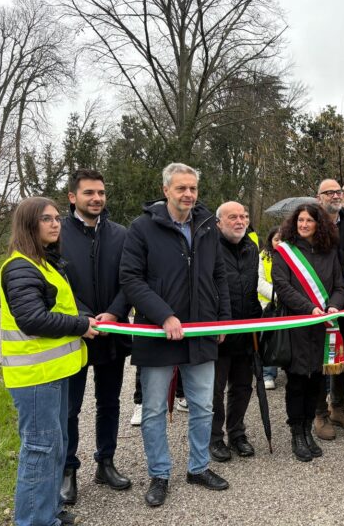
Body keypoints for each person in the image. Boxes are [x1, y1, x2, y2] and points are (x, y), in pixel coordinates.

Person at [120, 163, 232, 507]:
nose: (188, 194)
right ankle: (160, 474)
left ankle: (198, 467)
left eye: (193, 189)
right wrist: (164, 315)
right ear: (166, 189)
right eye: (181, 188)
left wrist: (222, 319)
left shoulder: (207, 226)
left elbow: (218, 274)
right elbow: (131, 279)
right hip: (157, 334)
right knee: (153, 410)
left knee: (203, 406)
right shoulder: (141, 228)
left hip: (200, 332)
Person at [0, 196, 97, 526]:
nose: (56, 223)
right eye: (46, 219)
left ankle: (48, 511)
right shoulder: (19, 267)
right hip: (35, 378)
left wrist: (83, 316)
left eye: (56, 218)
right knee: (40, 450)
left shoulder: (44, 263)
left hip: (54, 374)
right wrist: (80, 326)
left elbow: (61, 309)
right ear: (29, 225)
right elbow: (32, 318)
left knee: (56, 447)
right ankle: (33, 521)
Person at [60, 169, 132, 505]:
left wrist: (116, 312)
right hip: (73, 335)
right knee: (70, 407)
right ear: (73, 197)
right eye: (89, 193)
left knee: (109, 403)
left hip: (112, 334)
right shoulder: (56, 234)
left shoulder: (120, 234)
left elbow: (130, 279)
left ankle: (106, 461)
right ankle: (67, 469)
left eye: (101, 192)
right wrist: (82, 316)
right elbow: (52, 282)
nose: (97, 199)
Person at [272, 204, 344, 462]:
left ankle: (307, 430)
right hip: (297, 326)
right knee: (297, 381)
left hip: (323, 326)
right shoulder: (284, 251)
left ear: (319, 224)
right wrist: (310, 307)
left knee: (316, 380)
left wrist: (334, 305)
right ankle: (296, 432)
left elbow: (339, 285)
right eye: (300, 220)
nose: (304, 225)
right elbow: (282, 286)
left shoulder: (329, 251)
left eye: (309, 221)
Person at [209, 201, 263, 463]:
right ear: (219, 222)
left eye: (243, 216)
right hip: (219, 332)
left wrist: (258, 323)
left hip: (247, 329)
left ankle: (237, 433)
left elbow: (253, 289)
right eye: (233, 217)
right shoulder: (209, 248)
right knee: (215, 389)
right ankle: (215, 437)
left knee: (242, 386)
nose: (240, 221)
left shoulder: (252, 248)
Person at [313, 179, 344, 439]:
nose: (334, 195)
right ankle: (320, 413)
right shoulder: (309, 225)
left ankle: (338, 408)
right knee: (322, 359)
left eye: (337, 192)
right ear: (318, 196)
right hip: (318, 305)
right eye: (328, 192)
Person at [258, 225, 280, 389]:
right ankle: (267, 373)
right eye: (276, 239)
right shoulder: (263, 256)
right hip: (268, 305)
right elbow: (259, 282)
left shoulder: (294, 257)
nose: (279, 243)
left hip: (289, 304)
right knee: (268, 339)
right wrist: (278, 295)